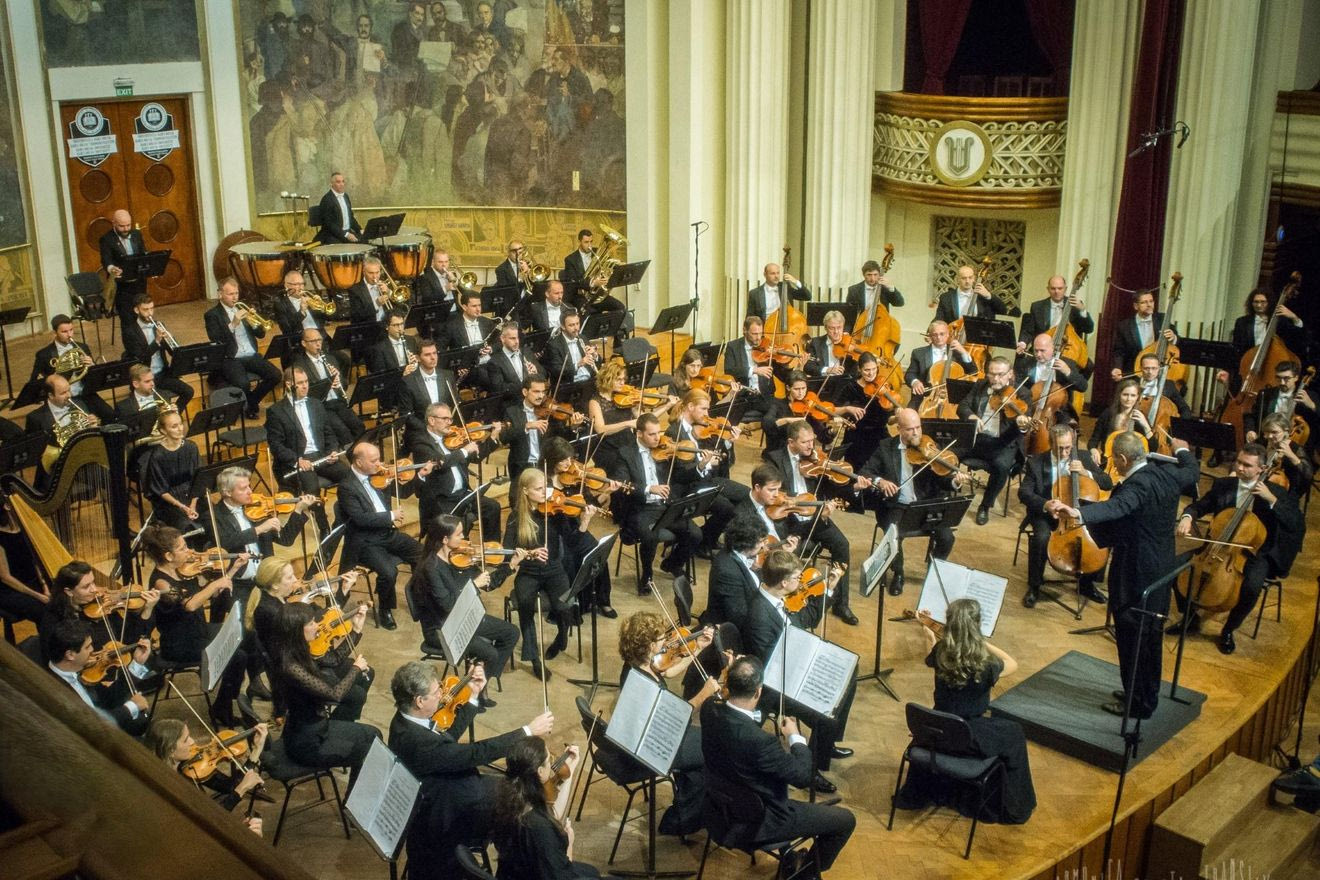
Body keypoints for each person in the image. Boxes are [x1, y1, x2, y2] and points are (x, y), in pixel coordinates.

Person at [1047, 432, 1199, 717]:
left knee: (1133, 637)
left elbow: (1118, 507)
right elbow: (1192, 470)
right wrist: (1182, 450)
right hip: (1162, 564)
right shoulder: (1168, 473)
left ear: (1123, 459)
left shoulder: (1138, 485)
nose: (1111, 463)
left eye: (1113, 459)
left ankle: (1137, 704)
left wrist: (1077, 513)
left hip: (1136, 570)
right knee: (1150, 636)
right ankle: (1143, 693)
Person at [388, 661, 552, 880]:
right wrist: (527, 731)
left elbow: (448, 744)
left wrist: (473, 696)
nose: (443, 695)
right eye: (437, 691)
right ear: (419, 701)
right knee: (518, 799)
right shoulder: (416, 740)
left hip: (451, 791)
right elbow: (475, 753)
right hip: (447, 813)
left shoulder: (405, 721)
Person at [700, 655, 855, 874]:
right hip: (759, 821)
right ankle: (805, 874)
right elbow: (802, 776)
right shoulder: (760, 742)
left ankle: (790, 857)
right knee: (846, 821)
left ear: (728, 685)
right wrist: (795, 738)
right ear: (757, 692)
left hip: (718, 810)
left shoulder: (709, 709)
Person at [897, 599, 1036, 824]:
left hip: (938, 730)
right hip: (967, 734)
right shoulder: (987, 664)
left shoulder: (941, 652)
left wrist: (927, 630)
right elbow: (1012, 662)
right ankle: (1016, 807)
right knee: (1014, 733)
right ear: (976, 625)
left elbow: (931, 652)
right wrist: (981, 641)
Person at [1169, 443, 1304, 654]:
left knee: (1252, 586)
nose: (1240, 468)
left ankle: (1228, 630)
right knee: (1176, 568)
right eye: (1238, 463)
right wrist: (1187, 516)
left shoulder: (1276, 491)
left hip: (1254, 551)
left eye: (1247, 465)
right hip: (1217, 545)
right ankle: (1190, 618)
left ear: (1261, 469)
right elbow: (1200, 506)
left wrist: (1271, 500)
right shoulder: (1224, 484)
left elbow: (1294, 524)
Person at [741, 550, 852, 789]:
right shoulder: (759, 615)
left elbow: (807, 620)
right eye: (797, 577)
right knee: (827, 710)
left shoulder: (780, 601)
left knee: (848, 677)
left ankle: (825, 743)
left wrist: (830, 587)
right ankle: (810, 773)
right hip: (776, 683)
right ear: (784, 582)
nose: (801, 581)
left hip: (794, 666)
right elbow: (769, 662)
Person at [617, 612, 720, 836]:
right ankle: (683, 818)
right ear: (651, 645)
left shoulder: (636, 665)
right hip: (655, 746)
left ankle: (685, 809)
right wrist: (705, 693)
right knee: (713, 747)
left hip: (647, 734)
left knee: (703, 744)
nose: (669, 642)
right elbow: (679, 715)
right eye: (663, 639)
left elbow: (669, 670)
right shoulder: (646, 683)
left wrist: (698, 648)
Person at [143, 524, 250, 726]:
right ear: (168, 556)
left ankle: (230, 698)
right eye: (183, 548)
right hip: (180, 644)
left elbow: (207, 595)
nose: (190, 551)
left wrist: (233, 568)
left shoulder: (183, 572)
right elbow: (191, 604)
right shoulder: (161, 583)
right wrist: (214, 584)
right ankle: (223, 705)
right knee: (238, 656)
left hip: (199, 631)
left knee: (247, 637)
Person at [266, 603, 379, 791]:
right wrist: (356, 669)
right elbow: (334, 695)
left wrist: (356, 631)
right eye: (311, 623)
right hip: (307, 743)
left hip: (313, 728)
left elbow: (332, 659)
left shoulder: (298, 651)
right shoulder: (292, 667)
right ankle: (353, 804)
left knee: (373, 735)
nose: (317, 626)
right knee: (370, 745)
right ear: (297, 631)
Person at [858, 407, 968, 596]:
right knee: (893, 536)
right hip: (896, 505)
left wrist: (954, 481)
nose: (916, 433)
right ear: (899, 429)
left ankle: (934, 567)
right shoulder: (885, 447)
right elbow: (865, 472)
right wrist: (881, 482)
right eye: (910, 429)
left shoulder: (929, 448)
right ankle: (898, 573)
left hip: (926, 505)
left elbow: (942, 478)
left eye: (918, 427)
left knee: (947, 537)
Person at [760, 423, 859, 624]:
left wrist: (854, 486)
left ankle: (841, 603)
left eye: (812, 440)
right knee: (787, 554)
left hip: (816, 516)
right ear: (791, 442)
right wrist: (799, 500)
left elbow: (832, 489)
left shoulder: (816, 458)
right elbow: (775, 494)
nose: (810, 446)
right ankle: (788, 604)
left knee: (842, 545)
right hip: (789, 518)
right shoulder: (774, 458)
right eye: (804, 442)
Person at [409, 514, 521, 684]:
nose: (464, 537)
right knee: (490, 653)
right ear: (445, 539)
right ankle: (473, 689)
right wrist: (474, 585)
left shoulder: (460, 558)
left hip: (465, 617)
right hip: (442, 628)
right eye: (459, 534)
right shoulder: (430, 568)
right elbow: (447, 605)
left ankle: (480, 683)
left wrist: (510, 566)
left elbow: (489, 585)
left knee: (511, 632)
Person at [489, 469, 578, 680]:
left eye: (545, 487)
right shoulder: (515, 517)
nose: (545, 493)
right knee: (525, 605)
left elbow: (572, 540)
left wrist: (582, 522)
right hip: (528, 572)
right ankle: (535, 659)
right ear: (526, 491)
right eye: (539, 489)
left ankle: (562, 636)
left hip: (554, 569)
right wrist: (526, 555)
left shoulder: (555, 512)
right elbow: (508, 550)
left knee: (564, 606)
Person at [338, 440, 434, 630]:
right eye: (374, 460)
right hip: (366, 541)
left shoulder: (379, 476)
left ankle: (419, 597)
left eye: (379, 459)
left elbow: (404, 493)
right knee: (389, 572)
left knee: (422, 553)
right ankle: (385, 609)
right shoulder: (346, 486)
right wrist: (390, 515)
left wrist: (419, 476)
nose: (380, 464)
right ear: (359, 462)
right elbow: (360, 519)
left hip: (388, 534)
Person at [608, 413, 703, 603]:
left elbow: (681, 476)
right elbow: (622, 483)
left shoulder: (664, 450)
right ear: (639, 434)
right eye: (651, 434)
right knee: (651, 535)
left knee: (695, 534)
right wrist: (648, 488)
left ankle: (671, 563)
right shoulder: (625, 454)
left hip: (665, 506)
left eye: (658, 433)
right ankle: (647, 574)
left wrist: (700, 466)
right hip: (640, 508)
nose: (657, 438)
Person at [1019, 424, 1112, 607]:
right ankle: (1034, 586)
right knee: (1041, 537)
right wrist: (1045, 504)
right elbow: (1024, 492)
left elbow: (1107, 483)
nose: (1064, 452)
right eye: (1060, 448)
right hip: (1048, 514)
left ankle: (1087, 584)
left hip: (1078, 513)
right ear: (1051, 443)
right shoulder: (1036, 462)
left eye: (1068, 447)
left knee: (1101, 533)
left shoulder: (1083, 457)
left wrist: (1087, 473)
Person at [211, 466, 316, 616]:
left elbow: (285, 539)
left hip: (266, 578)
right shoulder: (214, 516)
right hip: (237, 582)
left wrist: (298, 510)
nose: (250, 492)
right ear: (227, 492)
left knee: (288, 614)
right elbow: (225, 543)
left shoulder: (257, 508)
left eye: (249, 486)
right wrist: (258, 529)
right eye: (243, 488)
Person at [490, 736, 599, 880]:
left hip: (515, 872)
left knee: (591, 872)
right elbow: (561, 875)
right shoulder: (539, 829)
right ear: (540, 771)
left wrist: (569, 772)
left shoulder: (508, 799)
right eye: (549, 760)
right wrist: (570, 845)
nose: (553, 763)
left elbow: (550, 811)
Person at [144, 717, 267, 835]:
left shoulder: (189, 764)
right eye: (186, 739)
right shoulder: (168, 787)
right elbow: (210, 819)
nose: (193, 741)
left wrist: (257, 749)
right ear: (171, 750)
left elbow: (228, 786)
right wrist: (241, 789)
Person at [46, 617, 151, 735]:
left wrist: (136, 663)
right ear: (70, 655)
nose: (92, 650)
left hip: (103, 720)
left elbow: (108, 697)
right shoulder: (55, 689)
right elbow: (91, 725)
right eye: (87, 647)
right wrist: (132, 706)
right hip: (93, 736)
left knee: (143, 722)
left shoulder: (79, 671)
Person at [411, 403, 503, 537]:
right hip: (440, 500)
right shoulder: (421, 442)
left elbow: (475, 457)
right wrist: (464, 450)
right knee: (457, 524)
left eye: (450, 419)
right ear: (431, 420)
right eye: (445, 419)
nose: (449, 423)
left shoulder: (452, 438)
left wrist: (493, 437)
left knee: (492, 507)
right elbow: (440, 462)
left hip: (462, 494)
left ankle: (491, 552)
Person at [958, 355, 1029, 524]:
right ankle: (946, 490)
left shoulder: (1022, 393)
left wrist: (1021, 423)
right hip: (976, 439)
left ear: (1010, 374)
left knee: (1002, 466)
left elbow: (1024, 425)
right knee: (948, 451)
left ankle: (985, 506)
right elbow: (963, 406)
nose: (995, 379)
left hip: (1002, 444)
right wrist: (972, 416)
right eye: (991, 374)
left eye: (1000, 374)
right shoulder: (981, 385)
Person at [203, 277, 281, 419]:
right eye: (230, 294)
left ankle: (251, 402)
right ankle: (250, 406)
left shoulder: (243, 310)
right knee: (242, 383)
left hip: (251, 354)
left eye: (236, 293)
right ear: (220, 294)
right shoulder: (212, 315)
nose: (235, 297)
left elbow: (261, 335)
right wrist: (233, 324)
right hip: (230, 357)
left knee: (275, 375)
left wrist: (254, 321)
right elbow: (216, 339)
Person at [699, 513, 774, 639]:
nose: (763, 546)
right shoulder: (727, 572)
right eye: (761, 541)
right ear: (747, 543)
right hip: (732, 632)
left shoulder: (736, 553)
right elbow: (738, 617)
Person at [29, 315, 114, 421]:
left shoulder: (82, 347)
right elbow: (34, 381)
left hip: (85, 394)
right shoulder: (44, 354)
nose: (69, 335)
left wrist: (91, 365)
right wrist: (52, 377)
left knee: (110, 414)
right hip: (63, 399)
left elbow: (94, 378)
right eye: (64, 332)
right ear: (55, 333)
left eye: (71, 330)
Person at [121, 294, 194, 410]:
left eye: (151, 308)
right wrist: (157, 342)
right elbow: (140, 358)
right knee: (159, 405)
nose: (150, 313)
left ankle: (174, 416)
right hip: (144, 378)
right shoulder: (129, 331)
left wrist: (172, 343)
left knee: (189, 391)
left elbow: (173, 352)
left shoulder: (159, 325)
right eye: (145, 310)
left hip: (162, 374)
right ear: (136, 310)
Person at [289, 328, 365, 439]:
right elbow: (303, 392)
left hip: (338, 401)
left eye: (319, 340)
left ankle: (359, 453)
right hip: (321, 405)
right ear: (304, 343)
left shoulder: (330, 359)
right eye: (313, 341)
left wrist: (338, 379)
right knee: (342, 431)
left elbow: (344, 385)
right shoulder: (299, 365)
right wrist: (325, 385)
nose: (318, 344)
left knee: (359, 426)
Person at [143, 409, 202, 535]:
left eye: (181, 424)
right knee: (187, 525)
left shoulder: (191, 447)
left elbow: (199, 479)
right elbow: (161, 490)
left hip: (193, 495)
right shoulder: (157, 456)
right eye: (174, 426)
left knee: (210, 518)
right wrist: (183, 507)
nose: (180, 429)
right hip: (170, 501)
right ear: (163, 431)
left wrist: (192, 504)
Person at [1015, 332, 1089, 426]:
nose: (1038, 354)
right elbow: (1017, 386)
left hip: (1059, 411)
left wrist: (1067, 371)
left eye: (1042, 351)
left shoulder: (1067, 363)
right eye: (1036, 350)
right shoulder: (1027, 363)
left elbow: (1083, 386)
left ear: (1052, 348)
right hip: (1031, 408)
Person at [1109, 289, 1177, 383]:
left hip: (1159, 371)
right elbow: (1119, 351)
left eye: (1151, 301)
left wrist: (1174, 337)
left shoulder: (1162, 320)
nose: (1149, 305)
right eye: (1144, 302)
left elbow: (1179, 340)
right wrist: (1117, 367)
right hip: (1134, 373)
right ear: (1136, 306)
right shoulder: (1124, 326)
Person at [585, 360, 641, 476]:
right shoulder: (595, 402)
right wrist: (627, 424)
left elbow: (642, 421)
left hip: (628, 443)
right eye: (618, 380)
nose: (623, 383)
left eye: (623, 379)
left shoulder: (625, 397)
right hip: (608, 450)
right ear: (608, 379)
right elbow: (600, 429)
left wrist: (667, 406)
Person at [1016, 274, 1094, 355]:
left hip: (1067, 352)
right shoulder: (1037, 307)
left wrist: (1082, 310)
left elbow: (1089, 329)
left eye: (1060, 288)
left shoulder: (1075, 306)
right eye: (1053, 288)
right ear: (1048, 289)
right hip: (1042, 351)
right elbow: (1029, 330)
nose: (1056, 291)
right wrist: (1023, 343)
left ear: (1065, 289)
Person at [99, 208, 148, 337]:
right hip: (122, 286)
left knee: (144, 314)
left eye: (128, 225)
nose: (126, 229)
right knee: (128, 320)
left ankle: (145, 341)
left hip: (139, 282)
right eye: (122, 226)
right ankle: (132, 348)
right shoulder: (106, 239)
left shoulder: (136, 234)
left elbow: (143, 253)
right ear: (113, 223)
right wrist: (111, 268)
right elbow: (106, 260)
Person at [0, 500, 48, 624]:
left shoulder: (24, 527)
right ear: (7, 505)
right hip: (10, 590)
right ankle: (50, 642)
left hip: (32, 580)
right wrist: (39, 596)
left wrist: (45, 586)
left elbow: (35, 560)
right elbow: (5, 578)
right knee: (44, 610)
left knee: (65, 594)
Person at [1245, 360, 1315, 443]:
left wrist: (1311, 405)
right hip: (1268, 440)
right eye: (1278, 378)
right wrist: (1250, 430)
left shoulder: (1309, 396)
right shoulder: (1266, 394)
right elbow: (1252, 416)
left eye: (1286, 378)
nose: (1282, 382)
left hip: (1294, 441)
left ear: (1296, 377)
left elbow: (1315, 421)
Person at [722, 316, 777, 421]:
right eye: (754, 334)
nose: (758, 338)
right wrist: (753, 370)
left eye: (761, 333)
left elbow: (781, 373)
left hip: (764, 396)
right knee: (727, 418)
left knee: (774, 419)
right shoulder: (733, 346)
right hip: (743, 396)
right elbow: (729, 370)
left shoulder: (766, 346)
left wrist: (785, 362)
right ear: (744, 330)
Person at [906, 320, 975, 403]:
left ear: (948, 334)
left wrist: (963, 352)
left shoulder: (957, 352)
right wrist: (915, 382)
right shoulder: (918, 353)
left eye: (942, 334)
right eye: (935, 334)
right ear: (930, 336)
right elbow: (910, 374)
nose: (939, 337)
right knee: (907, 414)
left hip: (950, 400)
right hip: (925, 397)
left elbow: (973, 371)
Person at [544, 308, 600, 396]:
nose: (576, 328)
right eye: (571, 325)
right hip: (569, 386)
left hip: (588, 381)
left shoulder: (582, 338)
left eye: (577, 324)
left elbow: (598, 363)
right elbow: (557, 371)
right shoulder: (554, 345)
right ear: (563, 326)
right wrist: (578, 364)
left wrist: (595, 355)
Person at [478, 322, 543, 397]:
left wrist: (536, 372)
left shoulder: (526, 352)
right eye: (512, 338)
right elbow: (499, 389)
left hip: (534, 397)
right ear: (502, 339)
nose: (517, 342)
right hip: (514, 403)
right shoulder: (494, 362)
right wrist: (527, 383)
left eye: (517, 338)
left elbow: (543, 373)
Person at [934, 264, 1008, 324]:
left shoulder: (982, 297)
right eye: (964, 278)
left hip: (978, 338)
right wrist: (930, 332)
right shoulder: (946, 297)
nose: (967, 281)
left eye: (970, 277)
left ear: (974, 278)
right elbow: (939, 318)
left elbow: (1003, 310)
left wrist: (988, 295)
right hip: (955, 338)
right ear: (958, 279)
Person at [846, 259, 905, 333]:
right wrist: (846, 332)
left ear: (879, 275)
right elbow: (849, 314)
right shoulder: (854, 290)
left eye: (875, 274)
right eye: (869, 275)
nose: (872, 278)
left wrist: (891, 287)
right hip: (860, 329)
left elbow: (900, 303)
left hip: (881, 330)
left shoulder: (885, 288)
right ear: (864, 275)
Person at [272, 269, 330, 338]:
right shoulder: (280, 304)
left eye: (302, 284)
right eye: (296, 284)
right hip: (300, 340)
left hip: (321, 337)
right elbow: (287, 329)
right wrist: (302, 311)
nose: (301, 287)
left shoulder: (311, 297)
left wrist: (323, 307)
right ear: (286, 285)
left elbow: (331, 318)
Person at [746, 262, 811, 322]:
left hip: (786, 329)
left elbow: (807, 296)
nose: (776, 276)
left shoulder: (785, 287)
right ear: (765, 274)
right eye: (773, 273)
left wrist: (795, 282)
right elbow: (750, 317)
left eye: (778, 273)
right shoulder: (755, 293)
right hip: (765, 330)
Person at [349, 256, 404, 325]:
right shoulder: (355, 290)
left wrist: (389, 292)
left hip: (388, 326)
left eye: (377, 272)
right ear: (364, 272)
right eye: (371, 273)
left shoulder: (386, 285)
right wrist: (376, 304)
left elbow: (403, 307)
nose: (375, 276)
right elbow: (356, 316)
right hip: (369, 327)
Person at [314, 171, 362, 244]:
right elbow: (328, 223)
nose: (342, 184)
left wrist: (359, 230)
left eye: (343, 181)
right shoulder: (327, 199)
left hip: (347, 232)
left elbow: (350, 217)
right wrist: (345, 234)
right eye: (338, 182)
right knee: (342, 248)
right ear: (332, 184)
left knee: (364, 240)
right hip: (332, 234)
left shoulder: (345, 196)